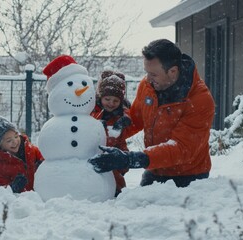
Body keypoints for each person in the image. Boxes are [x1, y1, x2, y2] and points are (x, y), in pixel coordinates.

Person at [89, 39, 215, 188]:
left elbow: (182, 148)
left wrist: (132, 159)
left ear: (172, 71)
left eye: (153, 74)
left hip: (189, 176)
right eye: (147, 73)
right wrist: (107, 132)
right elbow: (135, 120)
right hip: (154, 169)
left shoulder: (200, 99)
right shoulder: (148, 85)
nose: (147, 78)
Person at [90, 70, 132, 196]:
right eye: (107, 99)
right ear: (100, 97)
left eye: (116, 101)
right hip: (92, 160)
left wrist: (123, 164)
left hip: (112, 167)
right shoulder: (93, 112)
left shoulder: (120, 118)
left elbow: (121, 143)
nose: (111, 103)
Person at [0, 115, 44, 193]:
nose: (15, 142)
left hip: (40, 195)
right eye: (9, 141)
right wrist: (13, 188)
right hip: (20, 202)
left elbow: (47, 161)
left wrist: (42, 165)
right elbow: (0, 190)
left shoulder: (32, 151)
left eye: (16, 136)